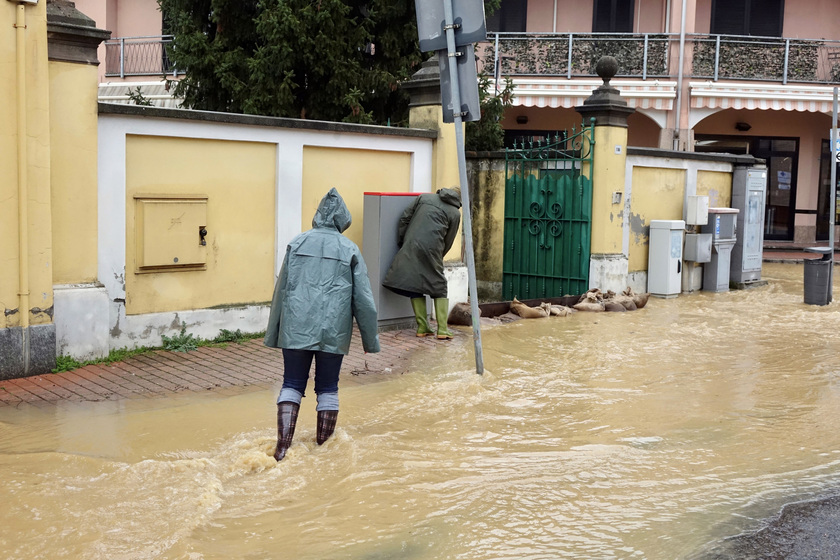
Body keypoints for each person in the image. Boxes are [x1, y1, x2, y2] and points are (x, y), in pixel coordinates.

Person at [264, 188, 380, 461]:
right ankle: (323, 452)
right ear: (343, 219)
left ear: (318, 215)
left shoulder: (297, 243)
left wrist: (275, 333)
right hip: (334, 330)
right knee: (328, 387)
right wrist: (369, 340)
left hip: (295, 328)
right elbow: (363, 300)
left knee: (292, 382)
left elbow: (280, 291)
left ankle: (282, 448)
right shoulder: (349, 248)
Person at [382, 187, 462, 340]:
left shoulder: (424, 198)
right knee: (440, 287)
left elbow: (405, 218)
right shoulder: (455, 213)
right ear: (459, 200)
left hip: (411, 243)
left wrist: (404, 240)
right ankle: (442, 330)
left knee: (414, 283)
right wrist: (439, 255)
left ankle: (422, 326)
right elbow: (449, 240)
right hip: (433, 249)